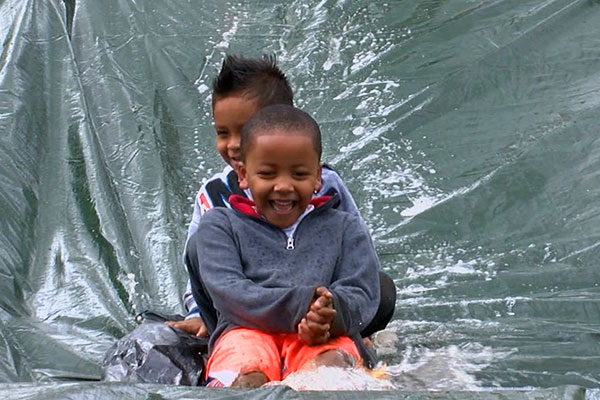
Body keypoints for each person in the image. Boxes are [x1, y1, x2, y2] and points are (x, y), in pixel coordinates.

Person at [167, 54, 396, 341]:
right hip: (246, 312)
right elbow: (198, 268)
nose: (234, 144)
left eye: (247, 129)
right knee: (202, 245)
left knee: (380, 288)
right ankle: (232, 341)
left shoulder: (327, 184)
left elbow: (357, 251)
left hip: (313, 304)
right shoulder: (213, 194)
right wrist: (198, 314)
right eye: (223, 133)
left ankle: (341, 335)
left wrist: (331, 310)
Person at [185, 105, 381, 387]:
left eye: (299, 175)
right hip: (245, 331)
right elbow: (229, 292)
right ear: (243, 174)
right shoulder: (220, 225)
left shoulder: (345, 227)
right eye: (267, 174)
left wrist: (326, 316)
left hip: (321, 337)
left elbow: (362, 292)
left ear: (317, 177)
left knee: (330, 372)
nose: (284, 186)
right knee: (245, 377)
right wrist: (302, 307)